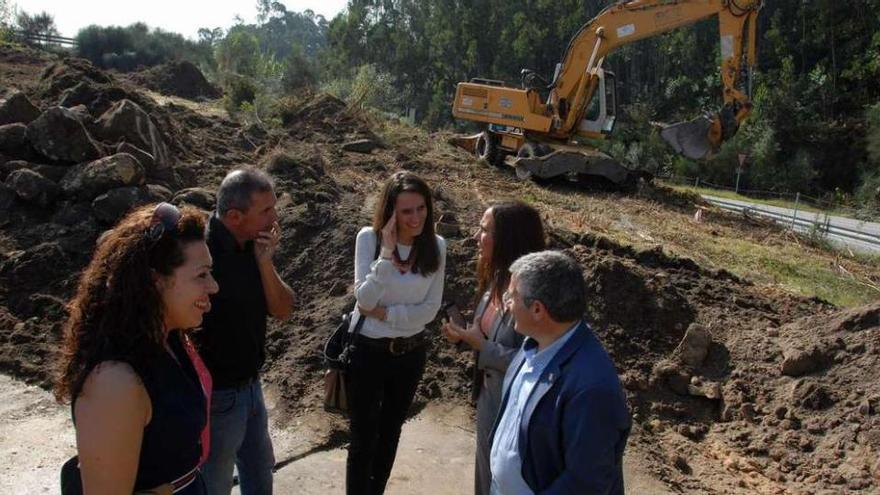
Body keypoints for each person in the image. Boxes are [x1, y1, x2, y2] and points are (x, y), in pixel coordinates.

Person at [55, 203, 219, 493]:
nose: (214, 286)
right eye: (201, 275)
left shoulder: (169, 340)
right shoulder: (113, 382)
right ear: (155, 282)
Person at [490, 251, 630, 495]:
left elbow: (586, 482)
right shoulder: (535, 344)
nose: (507, 303)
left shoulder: (591, 387)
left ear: (537, 310)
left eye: (512, 296)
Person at [196, 168, 296, 495]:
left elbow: (284, 310)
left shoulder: (254, 247)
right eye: (266, 210)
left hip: (252, 389)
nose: (275, 217)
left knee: (259, 472)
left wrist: (266, 263)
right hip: (217, 398)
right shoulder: (200, 255)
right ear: (235, 216)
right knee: (215, 484)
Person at [347, 171, 446, 495]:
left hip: (410, 354)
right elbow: (363, 300)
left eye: (421, 208)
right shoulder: (369, 239)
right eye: (406, 211)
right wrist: (387, 255)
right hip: (368, 352)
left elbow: (430, 309)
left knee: (390, 433)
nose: (416, 218)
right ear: (390, 212)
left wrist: (386, 314)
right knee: (363, 437)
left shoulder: (437, 247)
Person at [440, 201, 545, 495]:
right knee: (485, 479)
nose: (476, 236)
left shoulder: (532, 297)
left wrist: (483, 347)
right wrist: (464, 337)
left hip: (514, 410)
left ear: (508, 239)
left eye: (484, 230)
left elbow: (537, 364)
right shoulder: (497, 279)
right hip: (489, 399)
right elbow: (485, 335)